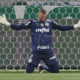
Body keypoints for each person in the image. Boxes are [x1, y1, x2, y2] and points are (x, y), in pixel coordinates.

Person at [0, 9, 80, 73]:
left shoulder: (50, 22)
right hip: (36, 52)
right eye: (42, 17)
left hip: (48, 52)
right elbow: (19, 27)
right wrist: (7, 23)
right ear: (39, 15)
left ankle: (42, 67)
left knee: (56, 71)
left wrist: (76, 25)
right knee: (29, 72)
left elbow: (61, 28)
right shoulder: (32, 22)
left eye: (45, 17)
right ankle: (36, 66)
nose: (44, 19)